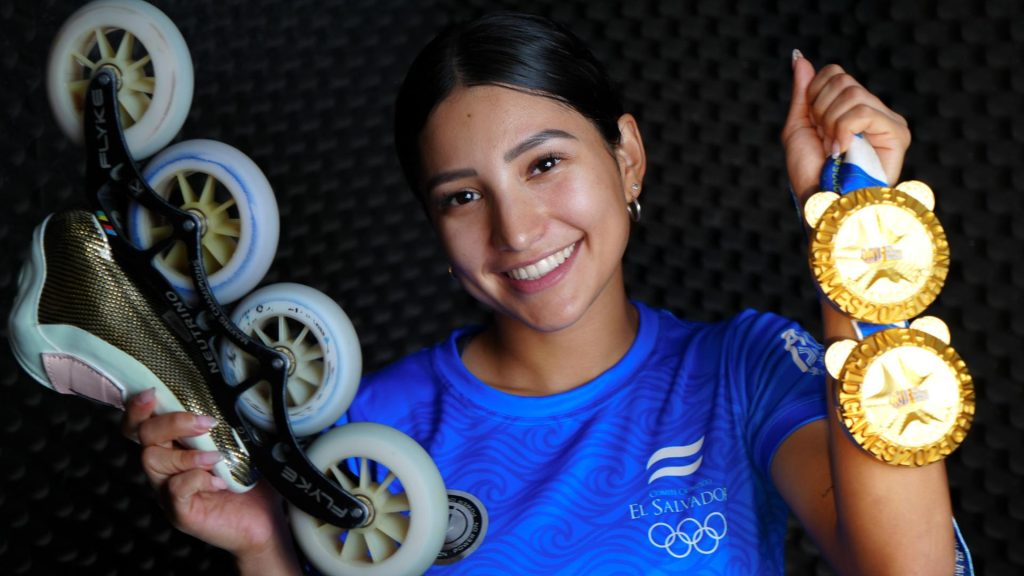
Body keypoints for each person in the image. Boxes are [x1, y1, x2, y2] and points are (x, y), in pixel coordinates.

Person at [122, 12, 959, 575]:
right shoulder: (367, 432)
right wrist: (268, 549)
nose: (516, 231)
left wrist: (856, 226)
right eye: (462, 195)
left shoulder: (742, 373)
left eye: (545, 164)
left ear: (626, 157)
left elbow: (907, 568)